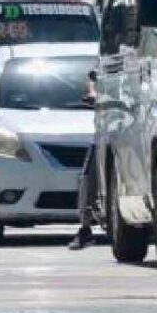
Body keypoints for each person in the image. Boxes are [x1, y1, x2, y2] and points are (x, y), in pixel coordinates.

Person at [69, 71, 100, 251]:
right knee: (88, 176)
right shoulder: (104, 63)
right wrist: (93, 94)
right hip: (107, 129)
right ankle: (85, 227)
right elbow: (92, 80)